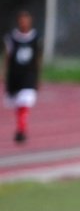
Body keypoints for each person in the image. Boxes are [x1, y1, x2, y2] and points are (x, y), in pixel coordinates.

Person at [3, 10, 42, 143]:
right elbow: (8, 58)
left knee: (25, 101)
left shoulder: (36, 38)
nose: (24, 23)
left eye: (26, 20)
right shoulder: (12, 38)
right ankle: (20, 127)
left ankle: (21, 130)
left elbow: (38, 58)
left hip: (29, 75)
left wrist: (38, 77)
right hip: (15, 75)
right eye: (21, 20)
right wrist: (5, 74)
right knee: (17, 103)